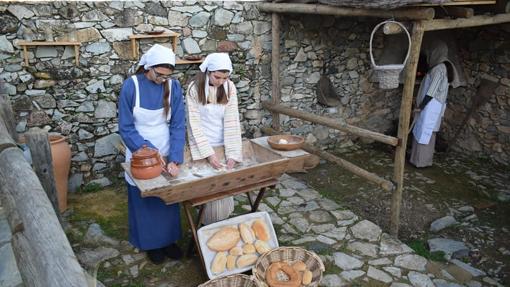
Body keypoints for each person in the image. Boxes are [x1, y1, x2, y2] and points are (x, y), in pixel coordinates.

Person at [118, 44, 186, 264]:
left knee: (167, 198)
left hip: (166, 148)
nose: (162, 79)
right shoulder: (131, 86)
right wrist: (147, 150)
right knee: (145, 199)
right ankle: (150, 243)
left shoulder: (173, 87)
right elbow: (126, 126)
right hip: (139, 150)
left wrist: (174, 157)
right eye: (159, 74)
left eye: (167, 75)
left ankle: (168, 240)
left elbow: (178, 124)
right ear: (148, 67)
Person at [186, 53, 242, 225]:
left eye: (225, 78)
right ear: (208, 72)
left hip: (223, 141)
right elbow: (193, 124)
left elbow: (232, 121)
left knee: (224, 184)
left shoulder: (230, 87)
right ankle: (206, 224)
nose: (220, 82)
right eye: (217, 77)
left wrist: (232, 154)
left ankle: (224, 222)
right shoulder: (194, 89)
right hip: (201, 143)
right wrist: (209, 154)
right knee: (207, 187)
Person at [410, 39, 453, 168]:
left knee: (425, 133)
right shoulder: (443, 67)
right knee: (424, 132)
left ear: (436, 53)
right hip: (433, 106)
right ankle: (420, 160)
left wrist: (421, 106)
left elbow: (431, 91)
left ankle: (420, 161)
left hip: (430, 107)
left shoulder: (439, 69)